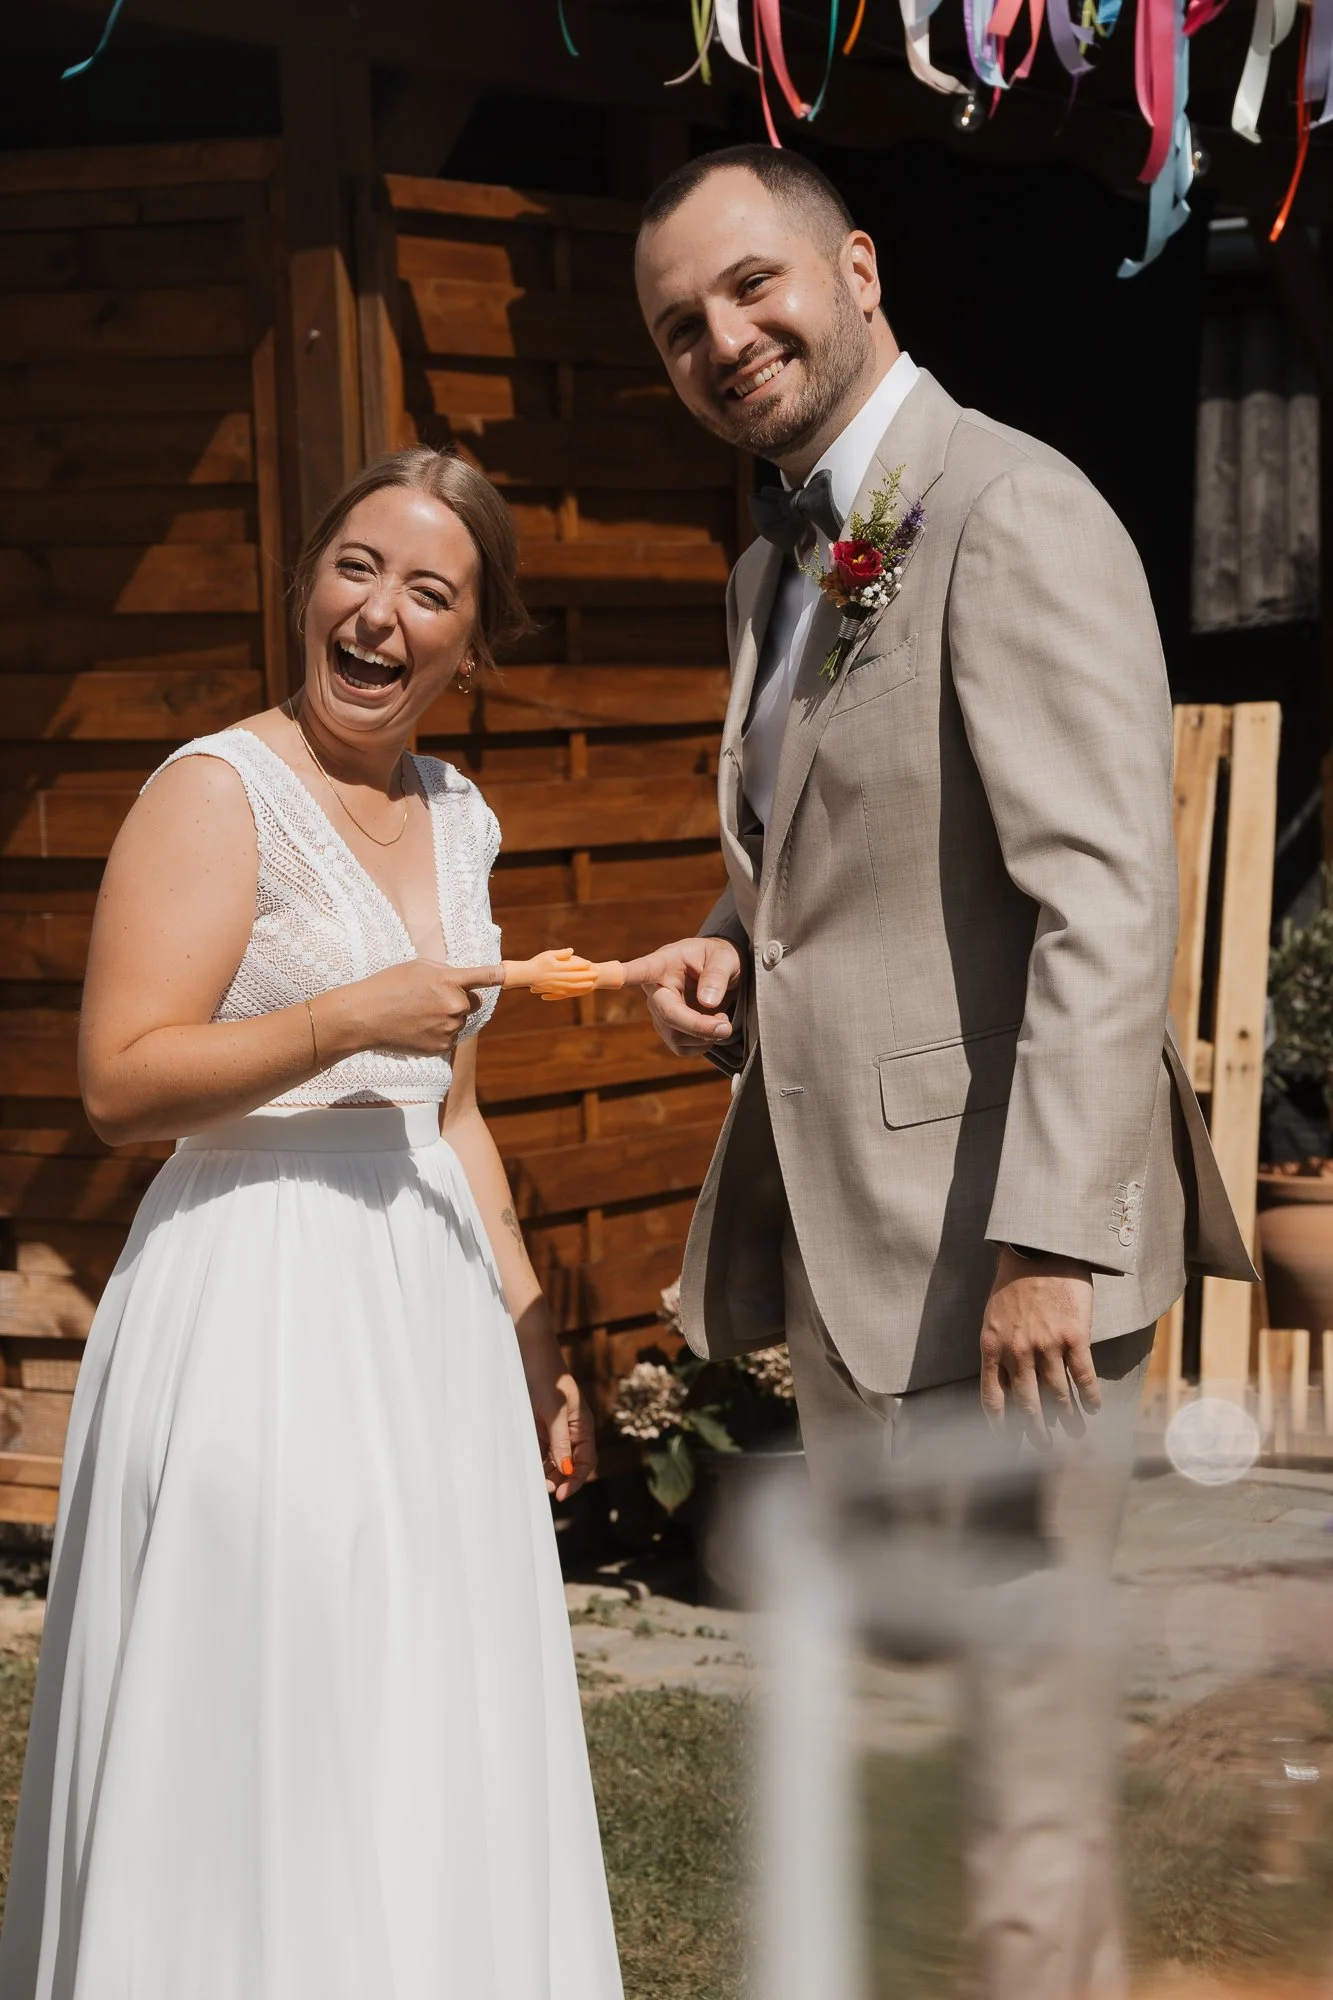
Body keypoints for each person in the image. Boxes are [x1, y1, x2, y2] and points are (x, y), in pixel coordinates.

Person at [630, 146, 1255, 1996]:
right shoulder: (777, 565)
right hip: (856, 1269)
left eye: (752, 288)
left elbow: (1104, 900)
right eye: (681, 326)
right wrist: (731, 951)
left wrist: (1052, 1238)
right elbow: (821, 873)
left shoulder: (1008, 505)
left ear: (857, 265)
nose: (724, 340)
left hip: (1002, 1276)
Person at [0, 448, 624, 2000]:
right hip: (255, 1294)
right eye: (356, 569)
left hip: (426, 1312)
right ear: (303, 589)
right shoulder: (216, 793)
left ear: (472, 647)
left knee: (423, 1710)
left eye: (431, 592)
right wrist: (348, 1017)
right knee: (266, 1692)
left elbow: (458, 1110)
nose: (381, 613)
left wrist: (532, 1332)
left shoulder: (461, 814)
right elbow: (120, 1083)